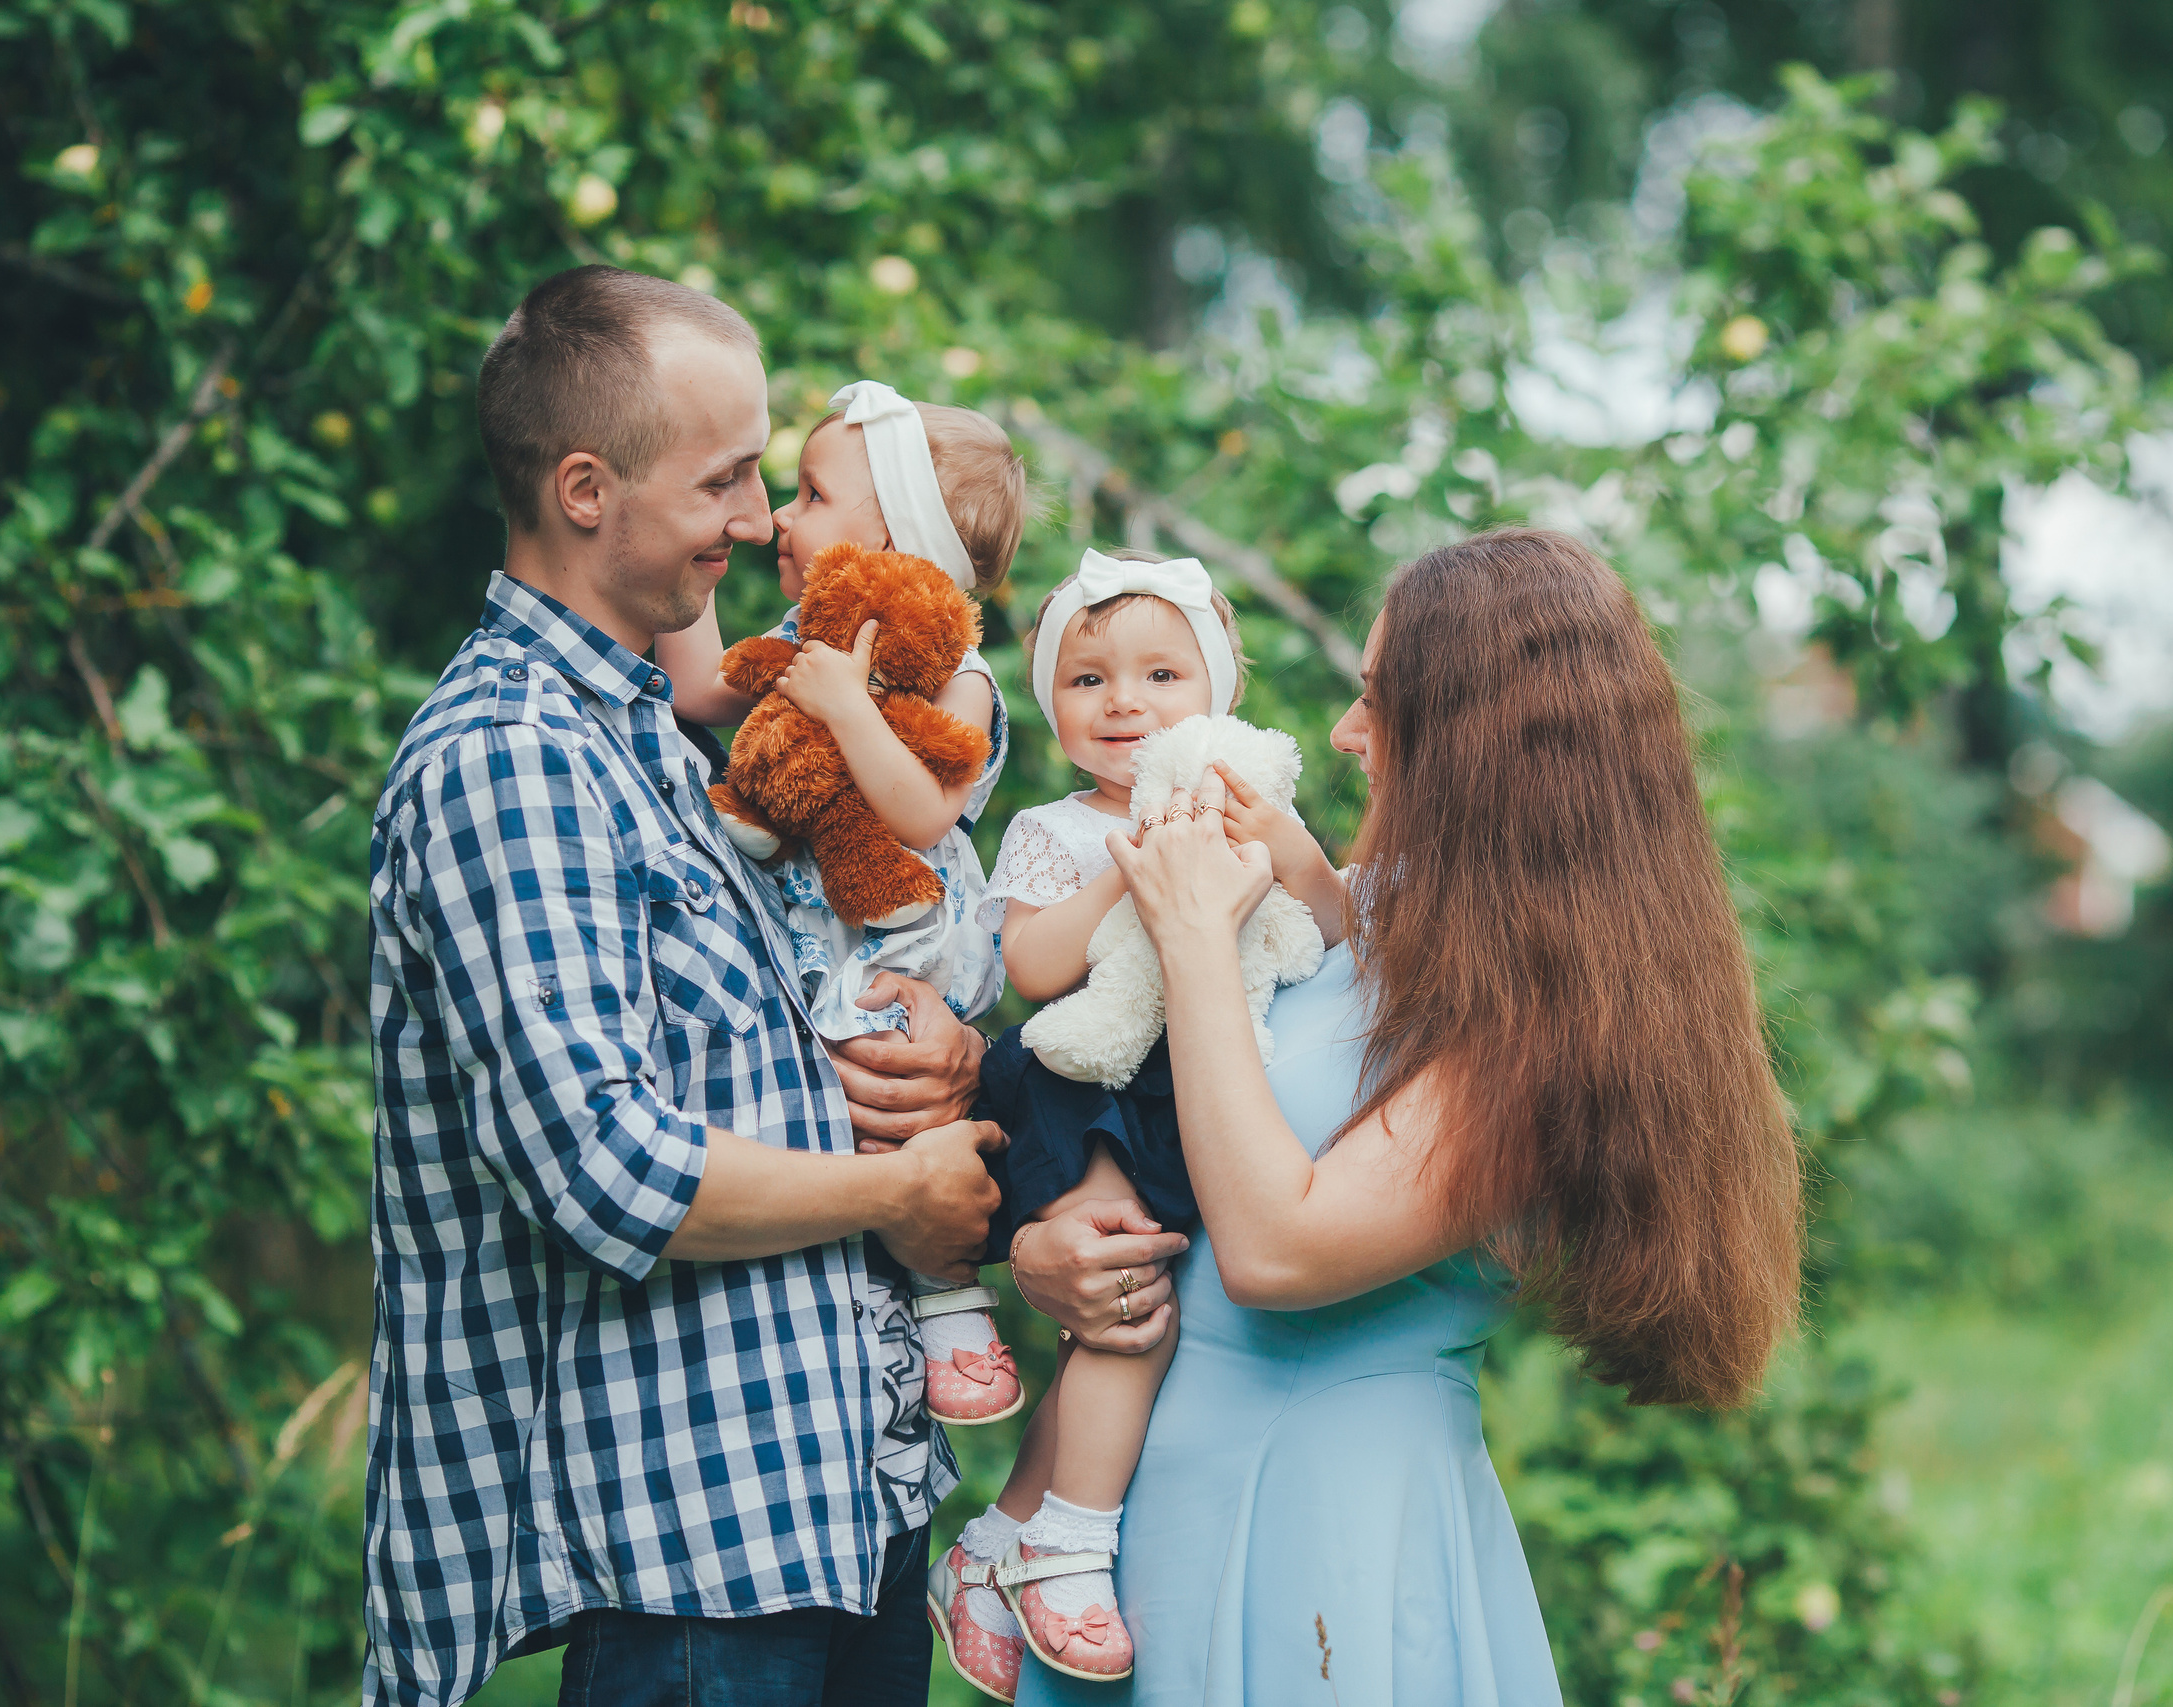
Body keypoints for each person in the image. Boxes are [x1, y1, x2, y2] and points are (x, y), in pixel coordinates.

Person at [1010, 526, 1806, 1704]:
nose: (1342, 732)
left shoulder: (1544, 1021)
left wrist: (1189, 940)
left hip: (1321, 1521)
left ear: (1477, 741)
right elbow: (1150, 1112)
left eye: (1378, 701)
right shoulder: (1371, 911)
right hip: (1142, 1508)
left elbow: (1278, 1250)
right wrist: (1051, 1247)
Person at [364, 266, 1007, 1707]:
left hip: (830, 1507)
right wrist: (896, 1195)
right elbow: (605, 1166)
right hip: (676, 1562)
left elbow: (784, 1033)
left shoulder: (655, 740)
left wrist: (943, 1051)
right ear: (586, 489)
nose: (759, 518)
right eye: (724, 478)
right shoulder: (510, 755)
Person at [927, 549, 1346, 1698]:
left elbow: (1335, 931)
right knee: (1129, 1300)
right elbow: (1029, 967)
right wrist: (1131, 868)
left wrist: (1284, 842)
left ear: (1217, 696)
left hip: (1194, 1088)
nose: (1123, 703)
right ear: (1051, 705)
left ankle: (994, 1543)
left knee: (1125, 1321)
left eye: (1161, 675)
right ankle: (1071, 1541)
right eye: (1087, 680)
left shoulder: (1248, 814)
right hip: (1084, 1079)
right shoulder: (1053, 830)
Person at [655, 380, 1033, 1429]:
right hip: (809, 936)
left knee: (904, 1118)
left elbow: (922, 810)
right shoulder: (802, 638)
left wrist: (840, 704)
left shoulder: (961, 676)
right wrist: (701, 542)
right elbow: (698, 689)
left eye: (813, 495)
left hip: (900, 942)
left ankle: (954, 1312)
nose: (781, 514)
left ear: (898, 536)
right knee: (833, 1127)